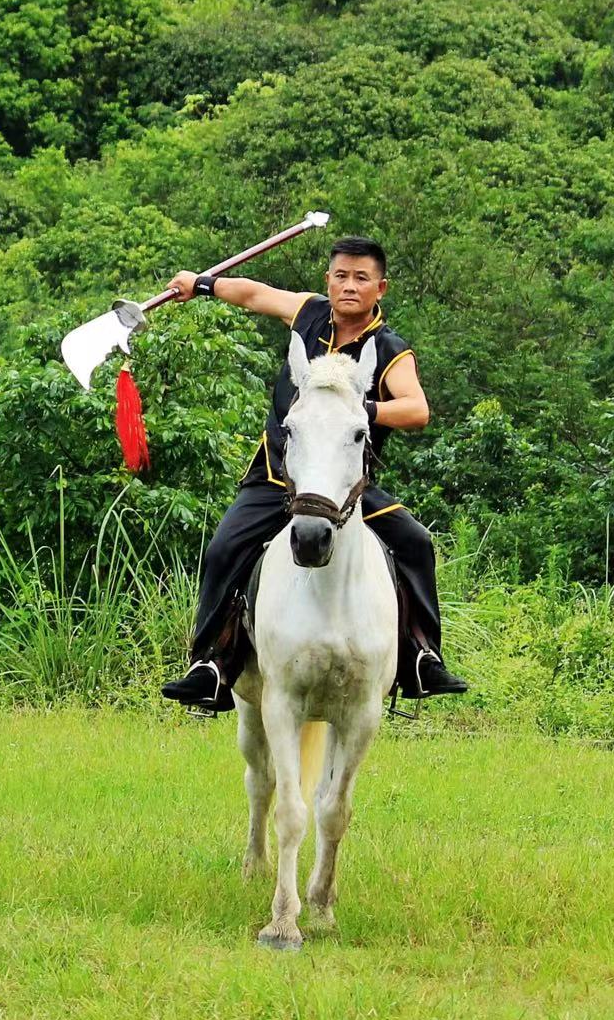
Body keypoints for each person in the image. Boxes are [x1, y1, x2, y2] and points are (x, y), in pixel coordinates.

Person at [160, 235, 469, 713]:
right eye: (341, 275)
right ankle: (211, 664)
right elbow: (254, 294)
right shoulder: (308, 312)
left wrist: (355, 408)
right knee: (224, 547)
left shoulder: (390, 348)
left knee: (415, 542)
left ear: (380, 288)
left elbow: (416, 409)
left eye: (361, 278)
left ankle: (422, 656)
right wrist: (201, 285)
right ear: (329, 280)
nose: (349, 285)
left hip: (344, 486)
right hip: (277, 475)